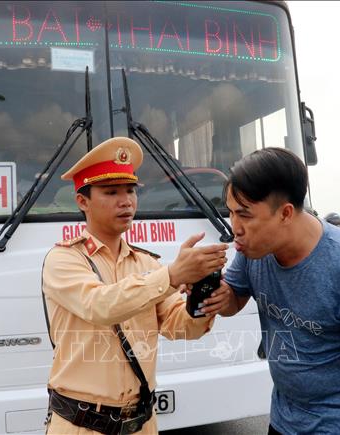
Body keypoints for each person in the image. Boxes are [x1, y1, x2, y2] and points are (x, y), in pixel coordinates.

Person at [200, 148, 340, 434]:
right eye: (231, 212)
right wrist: (208, 290)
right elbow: (233, 299)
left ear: (285, 213)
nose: (235, 227)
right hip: (286, 417)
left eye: (245, 215)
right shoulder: (254, 249)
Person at [41, 137, 229, 435]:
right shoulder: (63, 259)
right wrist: (173, 276)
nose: (126, 200)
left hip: (141, 424)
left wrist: (202, 299)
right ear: (82, 201)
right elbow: (100, 305)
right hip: (81, 426)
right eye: (111, 192)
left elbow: (180, 327)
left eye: (130, 190)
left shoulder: (147, 264)